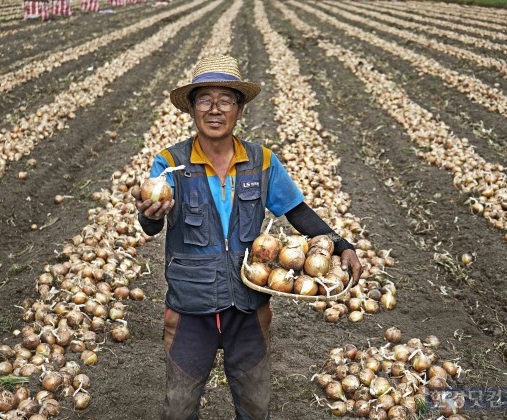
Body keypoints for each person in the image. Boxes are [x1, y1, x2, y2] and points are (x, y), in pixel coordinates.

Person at [131, 55, 362, 420]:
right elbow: (153, 221)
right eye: (204, 99)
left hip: (248, 308)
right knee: (178, 408)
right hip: (191, 308)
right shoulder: (169, 162)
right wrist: (149, 215)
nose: (215, 109)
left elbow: (297, 211)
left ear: (240, 108)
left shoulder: (262, 161)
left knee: (255, 407)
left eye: (225, 100)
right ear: (191, 107)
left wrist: (343, 245)